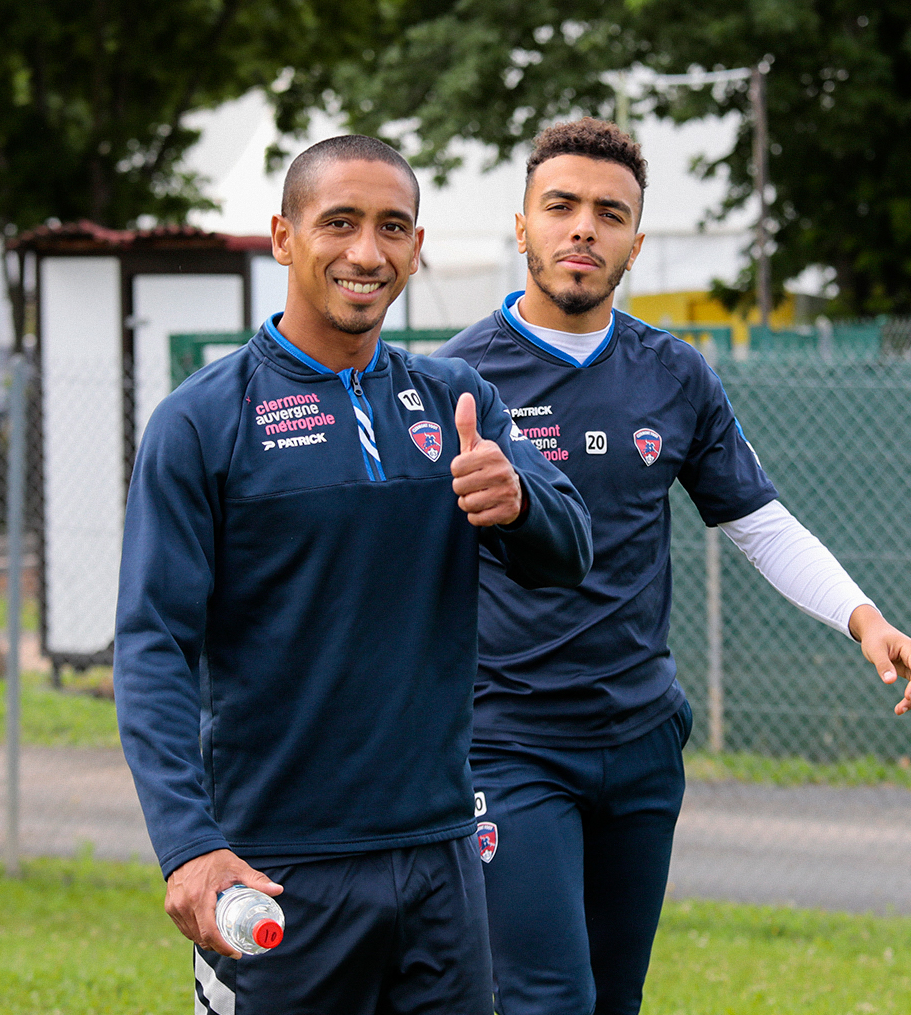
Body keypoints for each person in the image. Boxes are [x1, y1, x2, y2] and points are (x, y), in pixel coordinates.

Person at [437, 118, 911, 1015]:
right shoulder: (452, 382)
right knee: (546, 997)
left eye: (608, 212)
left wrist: (866, 618)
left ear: (634, 240)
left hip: (639, 742)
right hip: (507, 745)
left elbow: (760, 524)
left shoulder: (675, 375)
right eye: (561, 206)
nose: (582, 228)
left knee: (615, 998)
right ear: (522, 227)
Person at [114, 134, 593, 1015]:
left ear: (417, 247)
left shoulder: (460, 403)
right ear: (284, 237)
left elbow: (572, 555)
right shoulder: (202, 422)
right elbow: (154, 647)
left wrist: (518, 498)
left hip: (442, 854)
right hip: (277, 865)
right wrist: (187, 847)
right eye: (339, 222)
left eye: (391, 227)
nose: (366, 252)